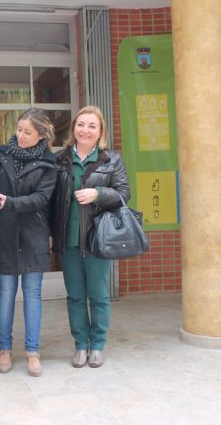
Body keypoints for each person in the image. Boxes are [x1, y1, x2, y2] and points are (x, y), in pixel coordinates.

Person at [50, 105, 131, 369]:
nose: (85, 130)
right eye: (81, 124)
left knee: (98, 295)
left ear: (100, 132)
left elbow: (123, 194)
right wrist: (52, 233)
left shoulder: (112, 160)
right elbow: (50, 200)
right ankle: (80, 345)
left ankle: (97, 345)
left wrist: (99, 193)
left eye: (92, 126)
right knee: (74, 295)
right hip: (68, 238)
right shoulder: (60, 159)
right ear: (73, 129)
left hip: (97, 239)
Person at [0, 108, 57, 377]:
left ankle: (32, 352)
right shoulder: (0, 154)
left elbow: (42, 199)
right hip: (5, 232)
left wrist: (10, 203)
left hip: (33, 234)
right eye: (19, 129)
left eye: (27, 132)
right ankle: (4, 349)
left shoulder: (49, 164)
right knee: (6, 292)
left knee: (32, 294)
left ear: (41, 135)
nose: (20, 135)